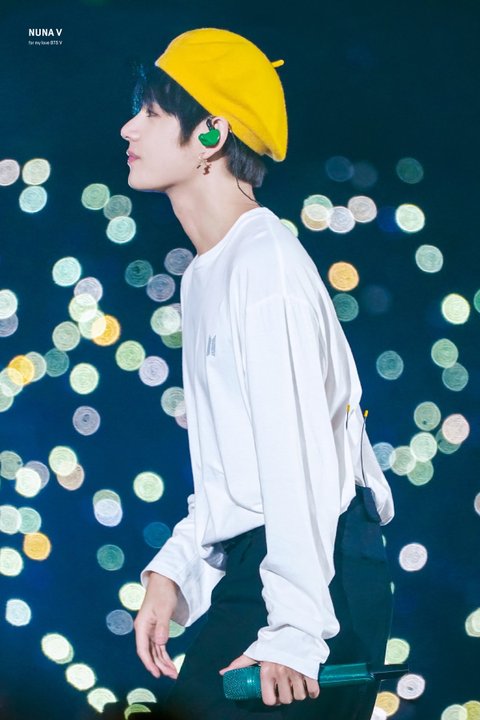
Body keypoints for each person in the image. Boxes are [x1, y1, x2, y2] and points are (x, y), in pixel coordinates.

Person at [120, 27, 395, 720]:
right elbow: (231, 473)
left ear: (211, 133)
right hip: (270, 570)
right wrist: (174, 571)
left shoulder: (264, 263)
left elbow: (299, 458)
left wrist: (297, 630)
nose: (129, 127)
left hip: (318, 575)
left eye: (151, 112)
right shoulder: (206, 275)